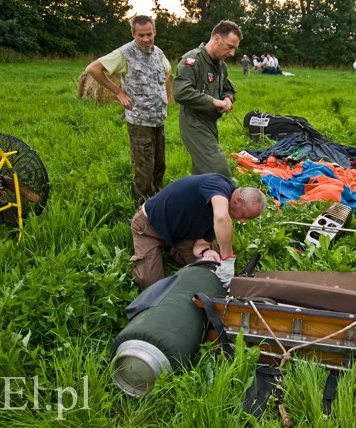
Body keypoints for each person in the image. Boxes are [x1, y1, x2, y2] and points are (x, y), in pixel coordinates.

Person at [86, 15, 171, 205]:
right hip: (139, 120)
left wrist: (159, 88)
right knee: (143, 167)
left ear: (155, 32)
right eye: (141, 35)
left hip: (158, 119)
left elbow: (168, 70)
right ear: (133, 33)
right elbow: (93, 69)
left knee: (159, 164)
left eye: (149, 34)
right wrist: (119, 92)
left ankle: (159, 199)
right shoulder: (125, 53)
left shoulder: (158, 52)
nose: (146, 39)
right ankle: (144, 208)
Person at [130, 173, 267, 288]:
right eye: (245, 216)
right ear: (238, 200)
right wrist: (227, 258)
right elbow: (220, 217)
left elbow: (200, 245)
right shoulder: (217, 185)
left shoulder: (222, 219)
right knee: (150, 282)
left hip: (183, 234)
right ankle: (156, 250)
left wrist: (207, 252)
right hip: (150, 226)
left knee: (210, 270)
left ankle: (174, 249)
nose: (242, 221)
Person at [174, 20, 241, 178]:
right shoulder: (193, 60)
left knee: (202, 173)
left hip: (211, 123)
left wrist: (228, 99)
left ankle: (198, 200)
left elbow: (228, 88)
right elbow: (181, 92)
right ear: (217, 38)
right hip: (194, 122)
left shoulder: (220, 65)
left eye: (235, 49)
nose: (232, 53)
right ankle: (229, 200)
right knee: (220, 171)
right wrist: (213, 102)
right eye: (230, 46)